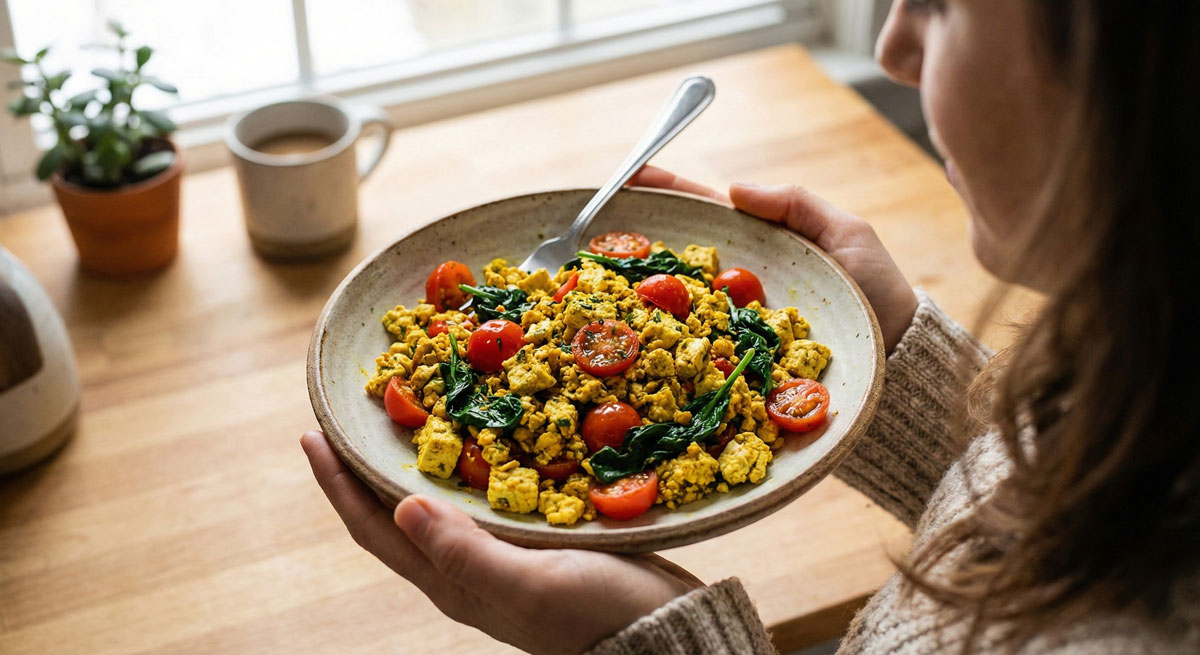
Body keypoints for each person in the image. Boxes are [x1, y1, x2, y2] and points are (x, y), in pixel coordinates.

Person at [301, 0, 1200, 652]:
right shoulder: (1148, 364)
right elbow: (1053, 504)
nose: (891, 47)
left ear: (1139, 67)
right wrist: (895, 357)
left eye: (941, 2)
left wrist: (650, 641)